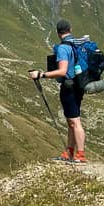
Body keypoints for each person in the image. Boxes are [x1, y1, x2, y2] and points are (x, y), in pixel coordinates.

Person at [29, 19, 86, 164]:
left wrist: (41, 74)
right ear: (70, 29)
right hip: (78, 85)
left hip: (69, 87)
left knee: (74, 121)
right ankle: (70, 152)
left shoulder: (62, 48)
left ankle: (80, 155)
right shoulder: (75, 43)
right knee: (71, 121)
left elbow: (62, 71)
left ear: (57, 32)